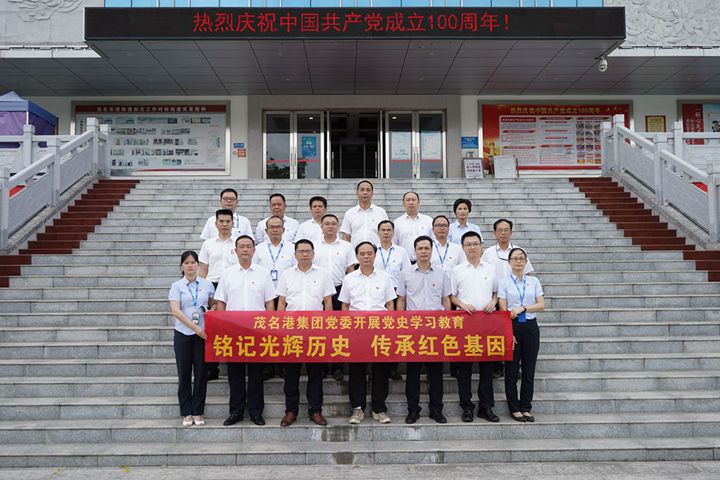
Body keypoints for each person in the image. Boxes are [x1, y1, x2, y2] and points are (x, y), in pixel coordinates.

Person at [214, 235, 276, 427]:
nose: (245, 250)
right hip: (233, 331)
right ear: (235, 250)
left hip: (257, 330)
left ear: (254, 250)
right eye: (241, 246)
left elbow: (269, 302)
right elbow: (221, 302)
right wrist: (222, 326)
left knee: (256, 374)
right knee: (235, 374)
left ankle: (256, 412)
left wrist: (269, 327)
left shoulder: (263, 273)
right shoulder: (227, 273)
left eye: (249, 246)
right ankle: (236, 412)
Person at [276, 239, 336, 427]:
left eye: (307, 251)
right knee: (291, 374)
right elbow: (281, 302)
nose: (304, 254)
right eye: (301, 251)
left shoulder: (323, 274)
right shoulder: (286, 275)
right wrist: (279, 327)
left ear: (313, 254)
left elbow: (328, 302)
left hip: (316, 330)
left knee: (315, 372)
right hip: (291, 330)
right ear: (295, 254)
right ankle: (291, 411)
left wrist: (328, 327)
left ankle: (315, 410)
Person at [339, 241, 396, 424]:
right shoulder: (349, 279)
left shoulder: (385, 277)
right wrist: (347, 328)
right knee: (357, 368)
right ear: (357, 257)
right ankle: (358, 408)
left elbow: (390, 304)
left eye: (369, 253)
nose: (366, 257)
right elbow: (345, 305)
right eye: (362, 254)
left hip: (380, 329)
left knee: (381, 368)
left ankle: (379, 408)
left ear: (374, 255)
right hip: (357, 329)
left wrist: (389, 326)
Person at [397, 235, 451, 424]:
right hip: (413, 329)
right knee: (413, 372)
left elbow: (446, 299)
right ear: (415, 251)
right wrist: (401, 324)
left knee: (436, 372)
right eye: (420, 248)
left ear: (432, 250)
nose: (423, 251)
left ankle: (436, 410)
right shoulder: (405, 273)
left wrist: (447, 324)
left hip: (436, 329)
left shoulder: (442, 273)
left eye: (427, 248)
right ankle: (413, 410)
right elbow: (401, 300)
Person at [450, 231, 499, 423]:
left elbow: (496, 292)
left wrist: (493, 302)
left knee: (487, 366)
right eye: (468, 244)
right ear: (463, 248)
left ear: (481, 247)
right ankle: (467, 407)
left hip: (487, 321)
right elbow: (451, 296)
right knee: (465, 367)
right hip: (465, 322)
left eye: (475, 244)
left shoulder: (491, 269)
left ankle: (486, 407)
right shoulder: (457, 270)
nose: (472, 247)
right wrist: (462, 305)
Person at [480, 218, 533, 379]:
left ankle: (516, 366)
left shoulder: (519, 251)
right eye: (500, 230)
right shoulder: (488, 253)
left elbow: (528, 274)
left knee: (516, 331)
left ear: (511, 232)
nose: (503, 233)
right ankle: (497, 366)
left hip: (516, 300)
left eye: (506, 230)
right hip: (495, 299)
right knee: (497, 333)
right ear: (494, 233)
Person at [168, 250, 215, 427]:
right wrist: (194, 327)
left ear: (198, 265)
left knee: (201, 374)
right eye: (186, 263)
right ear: (181, 266)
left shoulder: (207, 284)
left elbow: (213, 304)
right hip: (183, 333)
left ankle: (198, 411)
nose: (190, 266)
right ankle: (186, 412)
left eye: (193, 262)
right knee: (184, 373)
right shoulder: (177, 286)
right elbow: (176, 310)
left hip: (203, 335)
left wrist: (212, 311)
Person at [498, 247, 544, 423]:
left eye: (521, 258)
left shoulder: (533, 281)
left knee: (529, 370)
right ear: (509, 262)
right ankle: (514, 408)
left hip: (530, 326)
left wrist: (523, 308)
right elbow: (503, 307)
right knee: (511, 370)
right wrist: (508, 331)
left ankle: (526, 407)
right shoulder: (504, 282)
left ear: (526, 261)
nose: (518, 261)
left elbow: (541, 305)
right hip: (512, 326)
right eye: (515, 258)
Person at [313, 213, 356, 381]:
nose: (330, 226)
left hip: (340, 291)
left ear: (338, 227)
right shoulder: (314, 245)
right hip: (318, 292)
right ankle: (323, 365)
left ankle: (338, 366)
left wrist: (350, 292)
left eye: (333, 224)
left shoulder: (346, 246)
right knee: (320, 330)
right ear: (321, 227)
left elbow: (350, 270)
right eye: (327, 223)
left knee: (339, 330)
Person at [253, 215, 297, 381]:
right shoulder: (259, 249)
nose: (275, 230)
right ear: (266, 230)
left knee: (285, 333)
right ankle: (268, 366)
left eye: (278, 227)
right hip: (264, 296)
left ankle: (283, 365)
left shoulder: (292, 248)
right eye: (272, 227)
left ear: (284, 229)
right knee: (266, 333)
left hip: (285, 296)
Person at [198, 209, 238, 381]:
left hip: (234, 286)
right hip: (213, 285)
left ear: (233, 223)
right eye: (221, 221)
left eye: (228, 221)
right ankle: (211, 368)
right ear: (215, 224)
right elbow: (203, 269)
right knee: (212, 329)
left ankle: (234, 363)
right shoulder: (208, 244)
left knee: (233, 327)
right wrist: (203, 292)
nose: (224, 224)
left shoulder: (239, 243)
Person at [373, 219, 411, 381]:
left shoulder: (401, 252)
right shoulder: (372, 250)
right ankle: (375, 368)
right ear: (378, 232)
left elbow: (407, 273)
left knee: (394, 332)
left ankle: (392, 367)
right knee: (377, 332)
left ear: (393, 233)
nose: (386, 233)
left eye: (389, 230)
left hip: (396, 294)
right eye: (383, 230)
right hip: (376, 294)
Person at [340, 180, 388, 248]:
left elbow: (387, 234)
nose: (365, 192)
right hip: (355, 252)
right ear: (357, 193)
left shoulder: (381, 212)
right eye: (362, 190)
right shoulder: (349, 213)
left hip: (377, 252)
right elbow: (346, 237)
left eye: (368, 190)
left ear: (372, 193)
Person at [393, 191, 433, 262]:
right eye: (408, 200)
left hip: (425, 262)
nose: (411, 202)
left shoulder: (429, 221)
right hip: (405, 262)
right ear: (403, 204)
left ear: (418, 202)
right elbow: (394, 243)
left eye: (413, 200)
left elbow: (433, 241)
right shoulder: (397, 223)